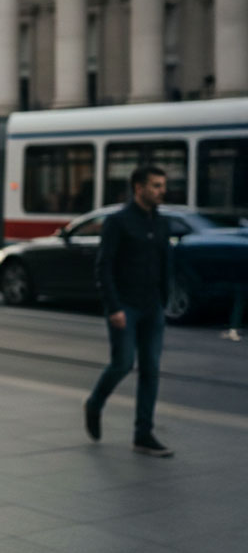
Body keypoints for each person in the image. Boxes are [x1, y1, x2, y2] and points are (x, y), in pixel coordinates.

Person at [85, 165, 173, 457]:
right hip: (125, 307)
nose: (162, 191)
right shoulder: (118, 222)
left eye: (163, 185)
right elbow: (104, 266)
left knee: (151, 369)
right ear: (139, 188)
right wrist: (114, 307)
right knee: (123, 363)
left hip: (152, 307)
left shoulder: (161, 222)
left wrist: (164, 299)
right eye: (156, 186)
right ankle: (94, 404)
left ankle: (143, 434)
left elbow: (165, 262)